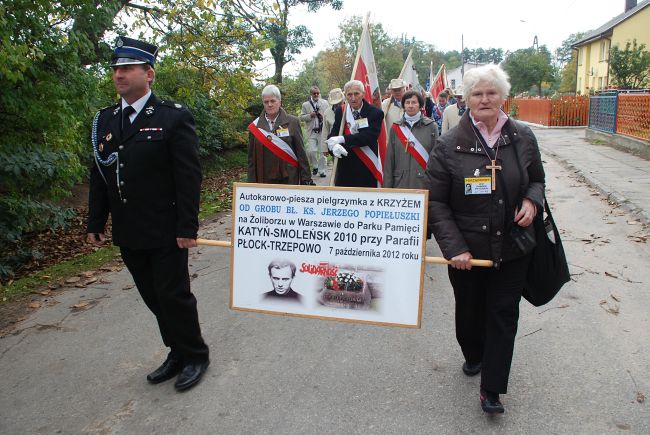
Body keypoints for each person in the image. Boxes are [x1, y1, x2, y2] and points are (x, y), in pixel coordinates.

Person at [86, 37, 210, 392]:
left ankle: (196, 354)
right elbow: (100, 173)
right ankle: (177, 350)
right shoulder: (106, 120)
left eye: (127, 68)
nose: (118, 75)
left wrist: (188, 225)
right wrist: (96, 221)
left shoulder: (172, 117)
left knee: (173, 295)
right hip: (129, 230)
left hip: (166, 228)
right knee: (152, 296)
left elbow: (189, 176)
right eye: (115, 70)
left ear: (149, 74)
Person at [425, 64, 545, 414]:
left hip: (513, 247)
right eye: (477, 93)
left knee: (503, 314)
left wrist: (531, 201)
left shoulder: (523, 136)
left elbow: (537, 179)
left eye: (491, 92)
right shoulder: (449, 145)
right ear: (466, 99)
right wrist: (454, 247)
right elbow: (436, 201)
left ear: (503, 97)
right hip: (468, 253)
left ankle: (492, 389)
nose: (485, 99)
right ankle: (473, 352)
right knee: (470, 314)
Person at [248, 85, 313, 185]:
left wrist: (306, 179)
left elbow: (301, 153)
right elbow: (251, 160)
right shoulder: (255, 127)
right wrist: (250, 184)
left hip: (288, 179)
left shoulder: (293, 122)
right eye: (266, 102)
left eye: (273, 101)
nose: (269, 104)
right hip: (263, 180)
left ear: (280, 102)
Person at [326, 80, 384, 187]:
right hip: (346, 167)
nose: (353, 98)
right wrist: (333, 147)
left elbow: (368, 137)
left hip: (367, 166)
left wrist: (342, 139)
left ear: (363, 94)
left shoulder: (375, 113)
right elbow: (333, 135)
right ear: (345, 96)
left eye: (356, 93)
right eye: (349, 94)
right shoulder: (341, 112)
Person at [384, 90, 438, 189]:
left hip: (423, 183)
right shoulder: (395, 127)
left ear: (420, 105)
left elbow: (436, 159)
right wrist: (387, 187)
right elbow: (389, 159)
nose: (410, 105)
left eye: (414, 102)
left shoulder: (431, 126)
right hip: (400, 183)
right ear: (403, 105)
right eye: (407, 102)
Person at [299, 86, 330, 178]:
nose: (316, 95)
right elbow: (301, 118)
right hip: (311, 131)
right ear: (311, 94)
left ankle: (322, 170)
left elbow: (329, 115)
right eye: (314, 93)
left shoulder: (325, 103)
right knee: (311, 151)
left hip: (322, 131)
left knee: (322, 152)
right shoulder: (305, 105)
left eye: (317, 93)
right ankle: (315, 166)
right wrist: (310, 115)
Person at [320, 88, 345, 166]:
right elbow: (325, 130)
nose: (337, 105)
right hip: (334, 144)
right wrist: (324, 148)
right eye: (335, 103)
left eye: (339, 102)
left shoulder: (349, 108)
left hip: (348, 142)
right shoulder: (327, 112)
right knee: (337, 167)